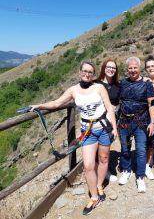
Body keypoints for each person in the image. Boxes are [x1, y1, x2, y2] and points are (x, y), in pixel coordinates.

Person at [30, 60, 118, 215]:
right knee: (89, 166)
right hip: (87, 131)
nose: (87, 74)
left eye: (90, 72)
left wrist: (115, 128)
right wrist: (39, 106)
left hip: (104, 128)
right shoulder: (73, 90)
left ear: (93, 74)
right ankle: (94, 197)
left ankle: (99, 185)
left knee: (104, 159)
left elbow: (109, 107)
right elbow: (57, 103)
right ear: (79, 72)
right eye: (84, 71)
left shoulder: (99, 87)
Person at [118, 57, 154, 193]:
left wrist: (152, 122)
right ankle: (127, 170)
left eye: (135, 68)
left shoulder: (147, 84)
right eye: (130, 68)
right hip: (124, 122)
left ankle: (140, 177)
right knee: (125, 148)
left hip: (141, 121)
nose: (133, 70)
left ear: (139, 68)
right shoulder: (122, 83)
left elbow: (152, 104)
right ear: (127, 69)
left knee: (141, 150)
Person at [96, 58, 120, 182]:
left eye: (113, 68)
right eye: (108, 67)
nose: (111, 69)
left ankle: (104, 171)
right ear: (104, 68)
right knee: (95, 146)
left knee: (105, 147)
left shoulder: (117, 85)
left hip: (110, 120)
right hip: (97, 120)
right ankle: (97, 171)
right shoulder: (95, 83)